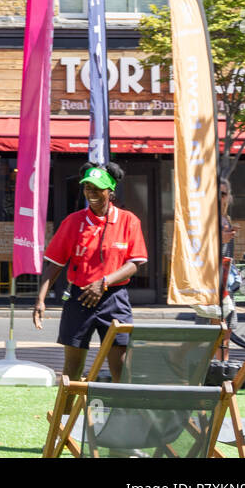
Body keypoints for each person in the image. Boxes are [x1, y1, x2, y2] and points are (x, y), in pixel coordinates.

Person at [32, 162, 148, 381]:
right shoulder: (73, 222)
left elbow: (134, 263)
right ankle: (66, 416)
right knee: (72, 369)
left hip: (115, 299)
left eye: (97, 188)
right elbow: (55, 264)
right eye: (87, 188)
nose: (91, 193)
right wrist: (40, 299)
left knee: (121, 369)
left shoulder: (128, 221)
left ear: (110, 191)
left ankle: (122, 414)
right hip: (78, 298)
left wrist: (103, 282)